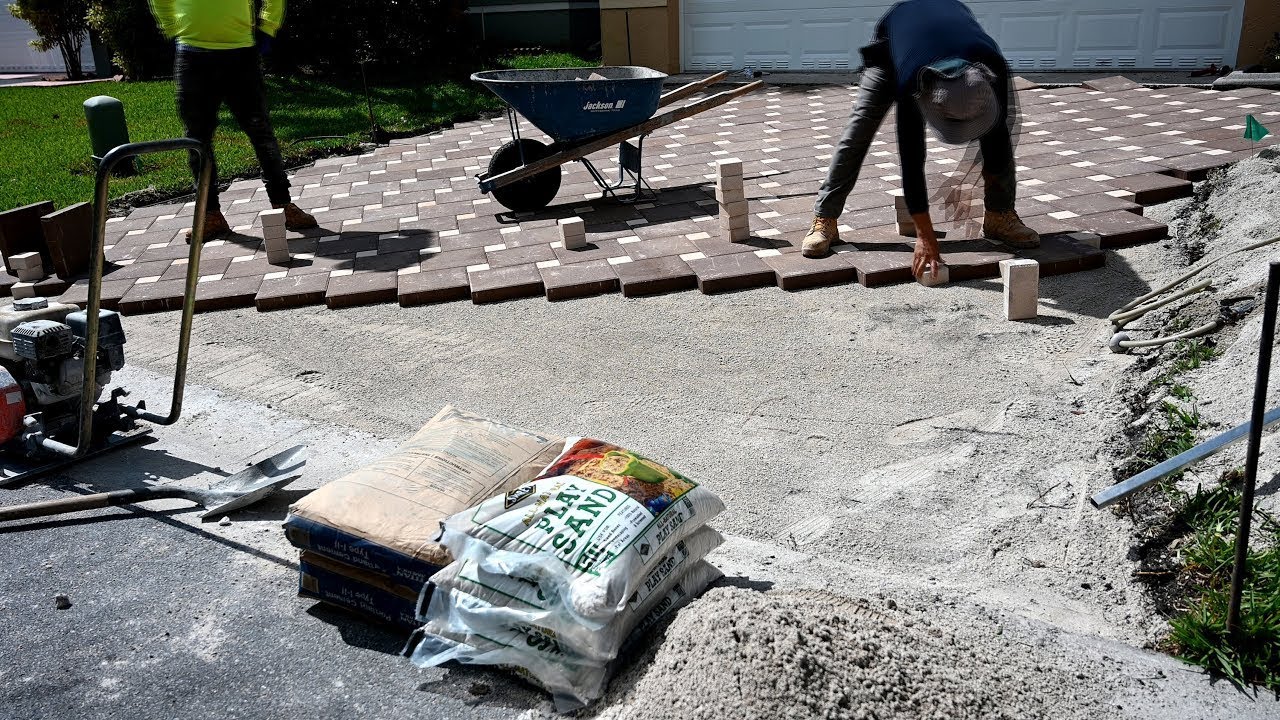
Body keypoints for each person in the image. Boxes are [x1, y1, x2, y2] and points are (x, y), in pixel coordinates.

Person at [802, 0, 1038, 279]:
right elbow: (911, 158)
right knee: (858, 131)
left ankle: (1000, 215)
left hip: (947, 43)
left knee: (998, 136)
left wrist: (969, 176)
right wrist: (925, 235)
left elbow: (1000, 131)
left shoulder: (992, 65)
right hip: (892, 50)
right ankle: (825, 218)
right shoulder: (911, 81)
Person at [148, 0, 317, 239]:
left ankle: (283, 205)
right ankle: (210, 216)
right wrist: (173, 28)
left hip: (241, 55)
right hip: (192, 55)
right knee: (197, 140)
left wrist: (267, 25)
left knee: (261, 133)